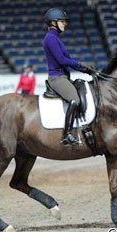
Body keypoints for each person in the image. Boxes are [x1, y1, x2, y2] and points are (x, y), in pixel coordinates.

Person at [43, 8, 95, 145]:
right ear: (53, 22)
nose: (65, 23)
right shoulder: (51, 38)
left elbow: (67, 61)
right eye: (62, 21)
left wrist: (85, 70)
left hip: (64, 76)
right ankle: (66, 134)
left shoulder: (56, 38)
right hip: (57, 78)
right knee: (75, 99)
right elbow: (62, 60)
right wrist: (81, 64)